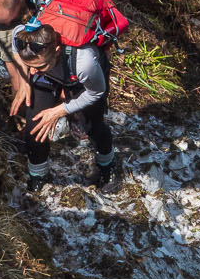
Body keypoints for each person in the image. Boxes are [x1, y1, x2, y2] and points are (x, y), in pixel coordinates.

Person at [13, 20, 122, 189]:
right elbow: (15, 43)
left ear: (56, 51)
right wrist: (24, 79)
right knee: (35, 124)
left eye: (38, 66)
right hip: (50, 75)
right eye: (30, 66)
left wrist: (60, 110)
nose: (33, 71)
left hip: (81, 80)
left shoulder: (84, 61)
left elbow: (96, 92)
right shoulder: (22, 37)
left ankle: (108, 165)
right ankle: (38, 174)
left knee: (91, 125)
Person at [0, 0, 72, 120]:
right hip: (22, 17)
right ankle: (21, 115)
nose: (34, 71)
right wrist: (23, 80)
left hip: (55, 17)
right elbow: (14, 39)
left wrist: (63, 107)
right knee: (20, 77)